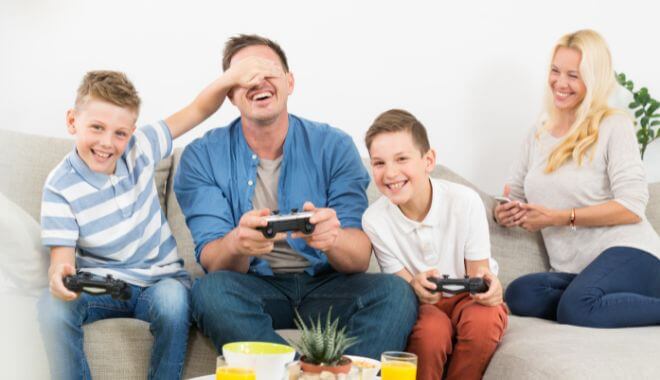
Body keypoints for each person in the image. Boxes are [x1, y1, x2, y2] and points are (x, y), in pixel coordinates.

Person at [173, 34, 417, 359]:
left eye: (268, 71)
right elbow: (212, 261)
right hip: (254, 286)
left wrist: (332, 239)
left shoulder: (334, 146)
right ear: (230, 95)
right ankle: (290, 371)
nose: (258, 81)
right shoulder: (201, 157)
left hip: (326, 286)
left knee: (396, 293)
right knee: (209, 292)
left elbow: (358, 257)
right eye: (245, 76)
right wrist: (237, 243)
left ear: (290, 82)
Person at [38, 63, 280, 380]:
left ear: (132, 133)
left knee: (174, 301)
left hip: (158, 283)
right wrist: (60, 276)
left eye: (120, 133)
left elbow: (197, 109)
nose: (107, 143)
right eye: (97, 128)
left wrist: (230, 78)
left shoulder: (140, 149)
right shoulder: (60, 187)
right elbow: (61, 260)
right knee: (52, 307)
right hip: (102, 289)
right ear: (73, 121)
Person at [496, 29, 660, 328]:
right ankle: (590, 298)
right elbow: (515, 192)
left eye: (573, 75)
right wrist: (506, 211)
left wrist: (559, 217)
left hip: (631, 254)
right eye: (555, 71)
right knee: (520, 293)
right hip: (577, 271)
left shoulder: (614, 126)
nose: (560, 83)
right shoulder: (538, 133)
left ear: (594, 80)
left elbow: (632, 206)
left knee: (576, 309)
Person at [362, 109, 508, 380]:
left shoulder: (465, 201)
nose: (390, 173)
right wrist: (416, 285)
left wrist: (491, 288)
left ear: (428, 160)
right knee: (430, 333)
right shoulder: (375, 220)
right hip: (424, 303)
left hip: (469, 297)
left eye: (402, 159)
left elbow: (480, 273)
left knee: (484, 321)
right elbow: (404, 288)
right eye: (379, 163)